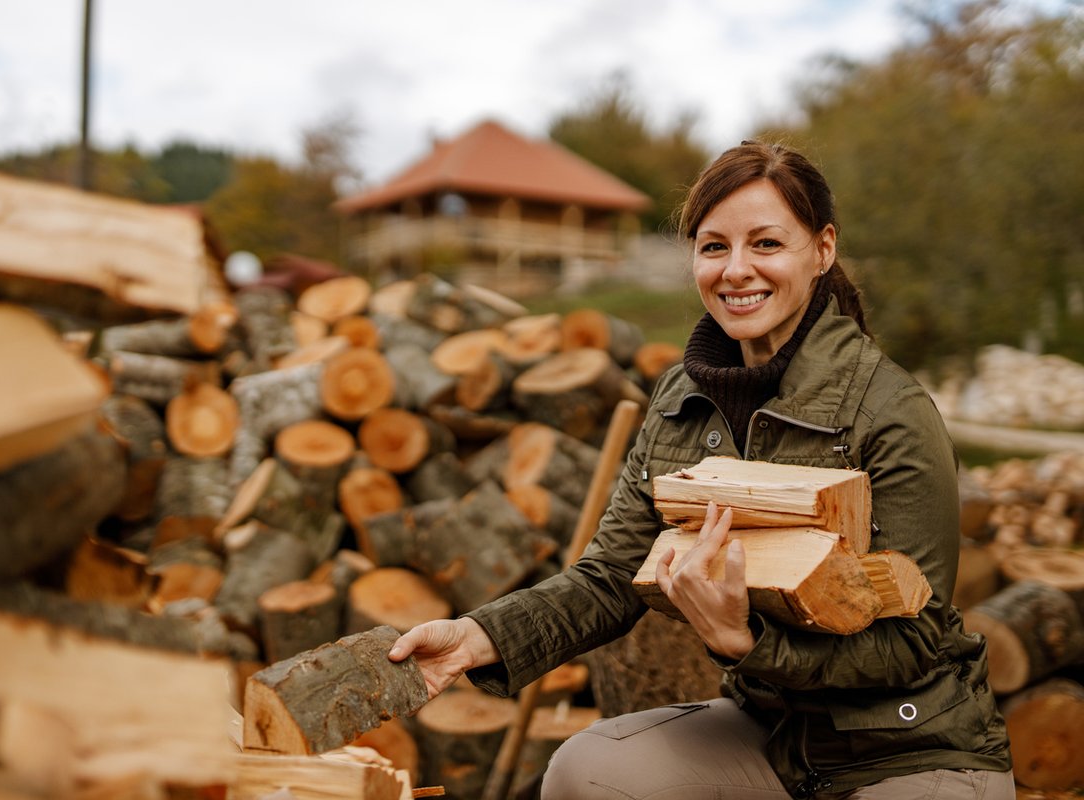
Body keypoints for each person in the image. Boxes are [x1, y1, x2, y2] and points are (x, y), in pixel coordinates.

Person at [389, 141, 1014, 799]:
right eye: (714, 247)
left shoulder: (892, 409)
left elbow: (912, 645)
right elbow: (609, 578)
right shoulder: (680, 398)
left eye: (766, 244)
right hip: (768, 735)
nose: (736, 270)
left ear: (822, 249)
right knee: (586, 772)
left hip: (910, 746)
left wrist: (747, 645)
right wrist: (474, 637)